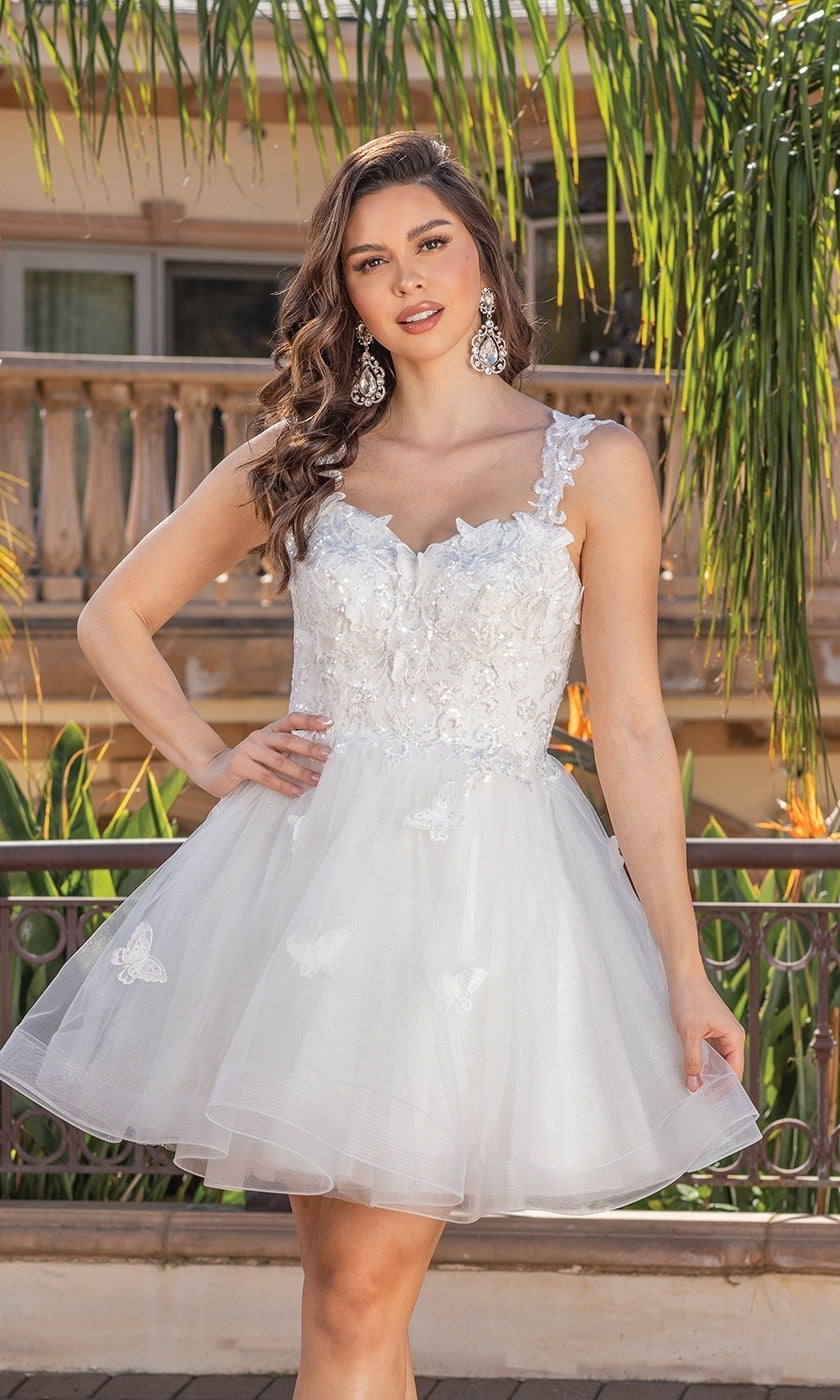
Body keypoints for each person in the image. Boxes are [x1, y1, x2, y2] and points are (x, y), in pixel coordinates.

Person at [0, 132, 760, 1399]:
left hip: (475, 905)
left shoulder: (597, 464)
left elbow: (630, 726)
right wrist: (210, 757)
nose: (406, 279)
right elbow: (109, 617)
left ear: (481, 260)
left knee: (356, 1295)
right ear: (341, 292)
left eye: (430, 243)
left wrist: (683, 969)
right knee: (348, 1304)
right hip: (305, 895)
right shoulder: (309, 455)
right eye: (369, 261)